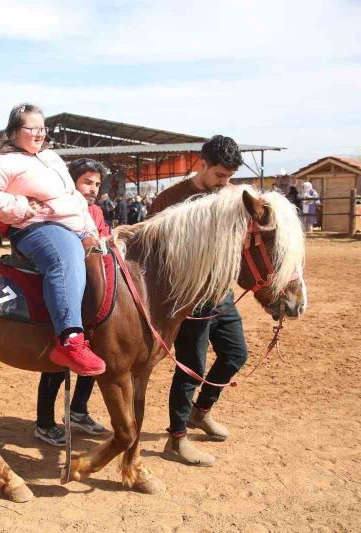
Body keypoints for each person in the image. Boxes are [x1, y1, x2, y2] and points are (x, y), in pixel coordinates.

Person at [0, 103, 106, 376]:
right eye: (33, 128)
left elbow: (73, 198)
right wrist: (18, 207)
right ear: (14, 131)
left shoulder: (51, 158)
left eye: (43, 128)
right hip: (38, 227)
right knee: (65, 258)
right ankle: (70, 339)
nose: (40, 133)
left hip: (73, 224)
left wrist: (90, 229)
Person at [147, 135, 248, 467]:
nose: (225, 183)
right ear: (201, 165)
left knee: (235, 354)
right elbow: (152, 255)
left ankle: (200, 411)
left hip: (222, 293)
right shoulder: (169, 200)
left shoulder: (231, 196)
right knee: (192, 367)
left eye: (230, 176)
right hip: (187, 299)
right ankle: (176, 440)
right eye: (220, 175)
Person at [35, 158, 110, 446]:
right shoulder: (59, 208)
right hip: (61, 291)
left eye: (97, 184)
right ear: (72, 182)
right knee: (57, 359)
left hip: (90, 293)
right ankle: (43, 422)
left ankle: (78, 410)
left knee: (92, 351)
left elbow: (102, 242)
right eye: (87, 182)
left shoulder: (96, 212)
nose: (92, 188)